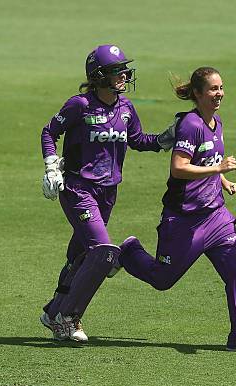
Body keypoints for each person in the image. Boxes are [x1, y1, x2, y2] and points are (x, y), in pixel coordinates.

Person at [112, 67, 236, 354]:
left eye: (221, 88)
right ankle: (129, 251)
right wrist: (217, 168)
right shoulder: (190, 125)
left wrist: (221, 179)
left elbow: (208, 157)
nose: (219, 94)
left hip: (216, 216)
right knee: (162, 279)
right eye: (213, 89)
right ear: (197, 93)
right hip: (184, 220)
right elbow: (179, 168)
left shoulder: (216, 122)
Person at [39, 44, 175, 342]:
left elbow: (138, 140)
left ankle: (52, 311)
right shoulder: (79, 105)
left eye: (124, 70)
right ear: (99, 76)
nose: (124, 75)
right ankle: (69, 318)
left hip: (108, 192)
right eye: (116, 71)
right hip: (78, 189)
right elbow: (49, 132)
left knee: (80, 256)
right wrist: (51, 166)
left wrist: (167, 138)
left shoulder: (125, 108)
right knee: (103, 252)